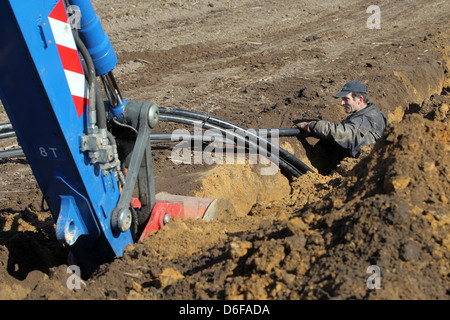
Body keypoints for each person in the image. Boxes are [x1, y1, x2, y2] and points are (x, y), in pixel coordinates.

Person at [296, 81, 387, 167]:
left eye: (346, 99)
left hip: (358, 169)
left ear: (360, 99)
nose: (342, 103)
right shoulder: (375, 112)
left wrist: (313, 126)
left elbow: (343, 133)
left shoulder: (363, 121)